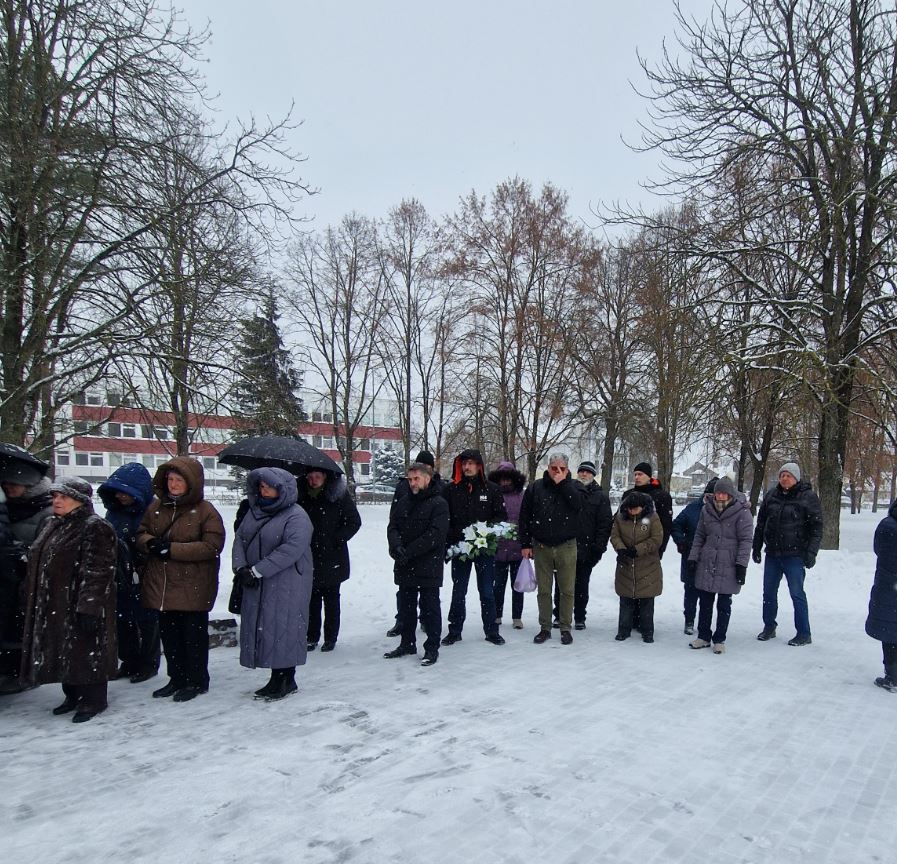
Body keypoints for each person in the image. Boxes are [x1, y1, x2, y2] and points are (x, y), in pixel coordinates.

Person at [20, 478, 118, 722]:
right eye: (55, 496)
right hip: (57, 601)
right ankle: (72, 695)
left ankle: (93, 700)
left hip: (80, 601)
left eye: (63, 497)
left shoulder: (94, 526)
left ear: (80, 500)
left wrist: (90, 605)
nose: (57, 501)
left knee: (87, 651)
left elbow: (99, 570)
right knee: (65, 650)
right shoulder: (54, 523)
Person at [136, 457, 225, 702]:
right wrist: (150, 543)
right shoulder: (156, 508)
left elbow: (212, 546)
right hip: (163, 585)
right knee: (170, 636)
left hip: (192, 586)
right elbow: (141, 533)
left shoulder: (206, 511)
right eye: (170, 479)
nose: (173, 484)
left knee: (193, 637)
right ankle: (176, 678)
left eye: (179, 480)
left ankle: (196, 680)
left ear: (191, 482)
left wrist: (172, 549)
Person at [232, 467, 314, 700]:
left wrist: (258, 570)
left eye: (269, 486)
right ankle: (275, 678)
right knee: (266, 627)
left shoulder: (297, 516)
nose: (264, 490)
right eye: (261, 486)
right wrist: (241, 568)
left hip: (287, 583)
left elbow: (291, 549)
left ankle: (286, 677)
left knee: (284, 628)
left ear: (282, 489)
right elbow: (240, 540)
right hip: (258, 582)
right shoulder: (255, 512)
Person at [98, 462, 158, 683]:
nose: (120, 496)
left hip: (145, 572)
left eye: (125, 492)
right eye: (117, 491)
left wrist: (138, 548)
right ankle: (129, 660)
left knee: (147, 620)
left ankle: (148, 663)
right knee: (123, 619)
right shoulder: (114, 511)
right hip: (120, 573)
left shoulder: (152, 511)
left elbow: (155, 539)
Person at [441, 448, 507, 647]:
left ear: (479, 466)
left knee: (487, 591)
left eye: (470, 463)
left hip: (484, 549)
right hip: (460, 548)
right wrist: (454, 538)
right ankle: (454, 630)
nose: (467, 467)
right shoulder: (451, 489)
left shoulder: (492, 489)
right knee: (458, 590)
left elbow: (501, 517)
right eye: (464, 463)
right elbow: (445, 518)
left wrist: (483, 532)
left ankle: (491, 630)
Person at [385, 461, 449, 666]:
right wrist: (396, 547)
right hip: (405, 564)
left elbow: (435, 535)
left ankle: (431, 648)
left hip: (428, 564)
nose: (412, 483)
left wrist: (409, 551)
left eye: (416, 479)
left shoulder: (439, 503)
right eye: (410, 479)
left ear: (427, 478)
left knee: (430, 608)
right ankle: (407, 643)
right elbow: (393, 526)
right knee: (406, 608)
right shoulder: (404, 501)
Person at [752, 462, 823, 646]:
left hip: (795, 555)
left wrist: (811, 552)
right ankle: (769, 627)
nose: (784, 478)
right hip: (773, 554)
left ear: (796, 478)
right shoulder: (771, 496)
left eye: (788, 475)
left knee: (797, 594)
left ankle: (804, 633)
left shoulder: (807, 497)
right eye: (782, 475)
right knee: (768, 593)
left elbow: (816, 527)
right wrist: (756, 547)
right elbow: (761, 524)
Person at [519, 453, 583, 645]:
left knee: (567, 590)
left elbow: (578, 505)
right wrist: (525, 544)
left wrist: (563, 484)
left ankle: (565, 628)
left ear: (567, 469)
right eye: (554, 468)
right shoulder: (536, 487)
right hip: (542, 545)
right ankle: (545, 627)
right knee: (544, 590)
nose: (557, 472)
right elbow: (525, 517)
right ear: (548, 468)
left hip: (567, 545)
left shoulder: (575, 486)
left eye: (562, 468)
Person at [0, 468, 53, 694]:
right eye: (6, 484)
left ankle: (22, 674)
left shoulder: (46, 510)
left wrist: (20, 552)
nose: (9, 488)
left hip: (27, 580)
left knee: (23, 627)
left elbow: (46, 547)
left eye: (14, 483)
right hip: (7, 580)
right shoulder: (8, 508)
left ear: (29, 485)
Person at [686, 477, 754, 654]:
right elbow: (699, 536)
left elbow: (746, 541)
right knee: (705, 603)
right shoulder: (706, 510)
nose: (721, 496)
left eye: (724, 493)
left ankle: (719, 639)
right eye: (718, 492)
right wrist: (693, 558)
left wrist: (741, 565)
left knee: (724, 604)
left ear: (730, 494)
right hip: (707, 562)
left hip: (728, 564)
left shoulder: (742, 512)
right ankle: (703, 636)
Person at [298, 467, 361, 652]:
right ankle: (311, 636)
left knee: (332, 599)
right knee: (312, 600)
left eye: (317, 476)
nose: (313, 480)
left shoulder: (338, 496)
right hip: (309, 555)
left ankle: (330, 637)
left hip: (333, 556)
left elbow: (354, 521)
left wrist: (337, 539)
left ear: (325, 477)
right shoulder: (301, 496)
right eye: (310, 477)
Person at [610, 490, 664, 643]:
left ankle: (647, 631)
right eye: (630, 509)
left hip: (648, 566)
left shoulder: (652, 518)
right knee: (626, 600)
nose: (632, 512)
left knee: (647, 601)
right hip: (626, 565)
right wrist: (621, 549)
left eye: (635, 509)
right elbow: (614, 536)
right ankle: (623, 630)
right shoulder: (620, 518)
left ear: (643, 507)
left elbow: (657, 539)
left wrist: (638, 549)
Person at [568, 460, 612, 630]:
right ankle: (559, 615)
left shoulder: (600, 496)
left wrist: (598, 548)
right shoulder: (568, 490)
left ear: (593, 475)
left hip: (587, 550)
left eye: (587, 472)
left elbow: (604, 524)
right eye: (581, 471)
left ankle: (580, 617)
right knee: (562, 585)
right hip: (566, 547)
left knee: (581, 586)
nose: (584, 474)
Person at [671, 478, 717, 635]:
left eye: (714, 496)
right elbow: (676, 525)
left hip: (712, 559)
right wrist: (681, 541)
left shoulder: (722, 511)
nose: (711, 499)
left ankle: (705, 624)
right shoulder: (692, 508)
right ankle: (689, 620)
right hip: (691, 556)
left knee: (708, 594)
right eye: (709, 496)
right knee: (690, 591)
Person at [487, 461, 526, 629]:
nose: (505, 481)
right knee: (498, 585)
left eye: (508, 478)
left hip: (518, 547)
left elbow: (526, 519)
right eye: (502, 478)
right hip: (498, 548)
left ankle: (517, 617)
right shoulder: (493, 494)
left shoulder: (522, 495)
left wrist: (527, 542)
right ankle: (497, 615)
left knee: (518, 585)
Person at [865, 498, 897, 693]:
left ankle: (892, 675)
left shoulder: (887, 526)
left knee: (890, 632)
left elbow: (879, 550)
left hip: (888, 585)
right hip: (889, 584)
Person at [626, 462, 674, 555]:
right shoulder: (628, 495)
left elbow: (666, 525)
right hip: (628, 548)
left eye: (640, 474)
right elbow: (618, 520)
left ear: (649, 476)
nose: (636, 477)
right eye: (635, 474)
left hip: (651, 549)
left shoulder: (661, 496)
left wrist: (660, 549)